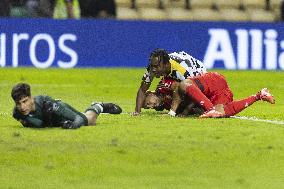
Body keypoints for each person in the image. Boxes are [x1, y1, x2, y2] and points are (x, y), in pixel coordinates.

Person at [143, 72, 275, 118]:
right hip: (214, 94)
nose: (150, 106)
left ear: (150, 93)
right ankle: (260, 95)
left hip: (211, 82)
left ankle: (210, 109)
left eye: (148, 102)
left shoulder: (163, 85)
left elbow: (183, 87)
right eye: (148, 107)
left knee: (184, 85)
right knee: (221, 113)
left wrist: (176, 112)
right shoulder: (166, 104)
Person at [11, 83, 122, 129]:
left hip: (61, 111)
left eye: (25, 101)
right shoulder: (18, 113)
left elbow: (77, 119)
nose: (22, 107)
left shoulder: (46, 103)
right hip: (56, 122)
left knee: (89, 120)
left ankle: (98, 106)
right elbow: (38, 124)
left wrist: (72, 126)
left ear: (31, 97)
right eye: (18, 103)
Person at [133, 48, 207, 115]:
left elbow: (196, 91)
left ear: (166, 65)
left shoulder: (182, 71)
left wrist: (185, 112)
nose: (153, 70)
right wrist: (137, 111)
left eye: (156, 66)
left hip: (198, 73)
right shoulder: (151, 69)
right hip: (177, 71)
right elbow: (143, 89)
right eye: (152, 66)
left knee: (190, 97)